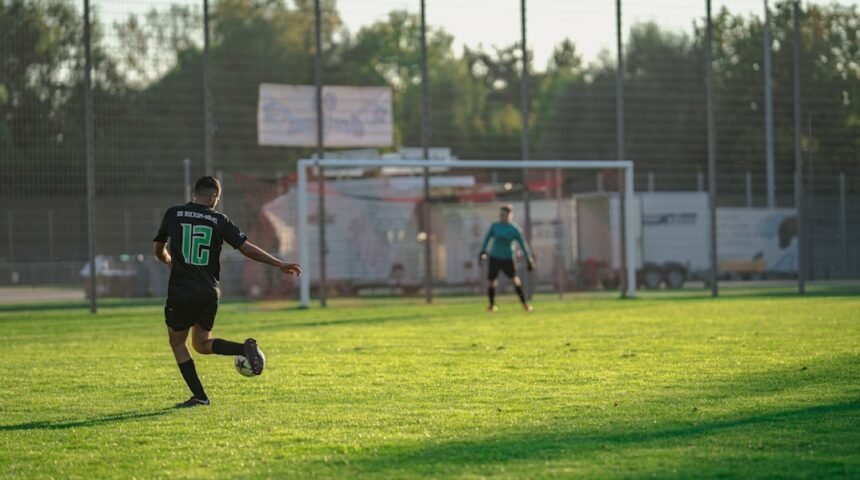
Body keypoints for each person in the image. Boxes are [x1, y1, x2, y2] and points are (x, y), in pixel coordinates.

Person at [153, 176, 302, 408]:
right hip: (209, 291)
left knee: (177, 342)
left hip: (182, 290)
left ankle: (200, 396)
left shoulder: (174, 213)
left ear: (195, 193)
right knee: (201, 344)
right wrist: (279, 264)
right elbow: (247, 249)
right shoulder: (219, 219)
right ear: (213, 196)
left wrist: (169, 260)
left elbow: (159, 250)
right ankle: (243, 348)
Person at [478, 204, 535, 312]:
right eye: (501, 214)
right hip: (495, 257)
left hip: (508, 258)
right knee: (492, 282)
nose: (502, 216)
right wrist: (483, 251)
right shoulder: (495, 226)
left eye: (504, 214)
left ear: (510, 215)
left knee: (515, 281)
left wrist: (529, 259)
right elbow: (487, 240)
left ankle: (525, 305)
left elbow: (523, 245)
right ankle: (491, 305)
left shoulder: (514, 229)